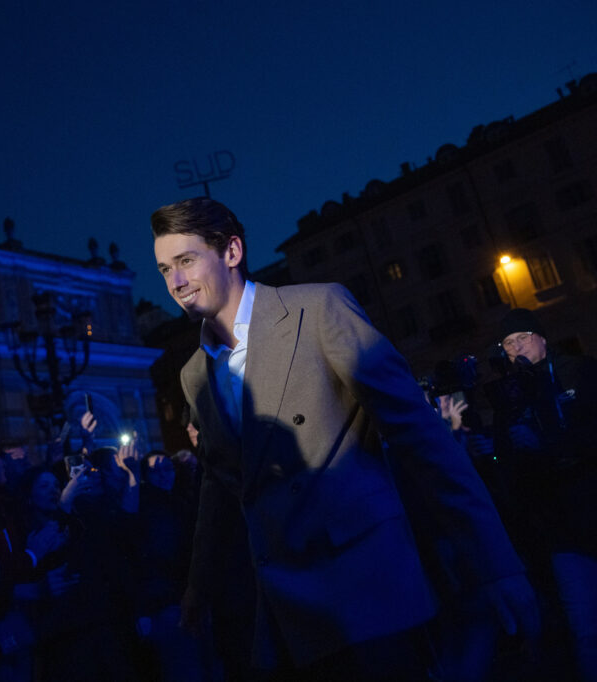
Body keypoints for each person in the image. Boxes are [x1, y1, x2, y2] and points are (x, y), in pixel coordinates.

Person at [151, 197, 537, 681]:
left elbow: (423, 440)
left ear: (231, 251)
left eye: (186, 261)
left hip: (371, 591)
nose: (175, 282)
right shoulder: (193, 375)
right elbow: (219, 486)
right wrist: (198, 589)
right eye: (165, 269)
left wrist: (495, 564)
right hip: (287, 614)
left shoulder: (318, 309)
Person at [487, 308, 597, 681]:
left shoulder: (579, 371)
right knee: (585, 630)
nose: (516, 347)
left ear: (542, 338)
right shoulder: (509, 396)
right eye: (508, 343)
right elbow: (507, 463)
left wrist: (549, 444)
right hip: (560, 531)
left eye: (522, 337)